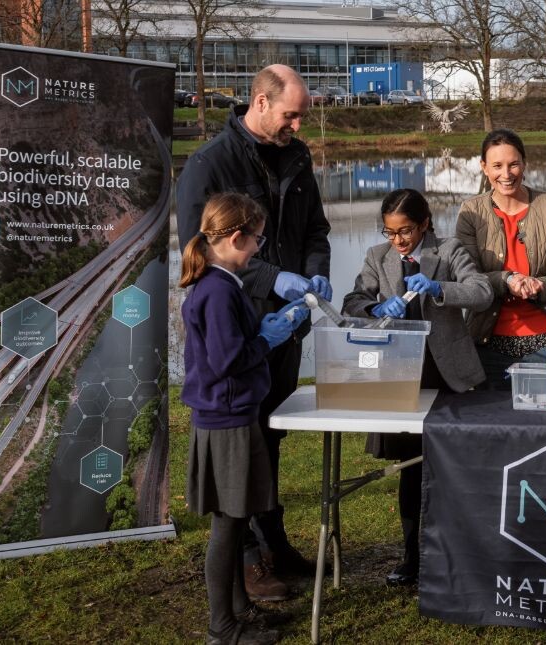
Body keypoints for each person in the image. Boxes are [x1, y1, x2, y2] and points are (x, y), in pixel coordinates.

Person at [176, 64, 330, 597]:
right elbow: (198, 249)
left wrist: (314, 277)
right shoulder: (208, 165)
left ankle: (273, 541)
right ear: (260, 103)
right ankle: (245, 560)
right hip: (239, 328)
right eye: (291, 114)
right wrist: (272, 279)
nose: (297, 124)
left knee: (270, 438)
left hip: (286, 326)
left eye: (301, 116)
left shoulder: (297, 157)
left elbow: (316, 229)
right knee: (241, 442)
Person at [340, 188, 492, 586]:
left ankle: (460, 553)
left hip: (446, 375)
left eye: (405, 231)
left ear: (424, 223)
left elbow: (481, 292)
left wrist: (439, 289)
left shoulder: (450, 249)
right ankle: (413, 555)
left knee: (450, 465)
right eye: (390, 232)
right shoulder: (377, 256)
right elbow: (352, 300)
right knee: (411, 468)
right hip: (400, 375)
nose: (398, 240)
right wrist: (374, 308)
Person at [180, 193, 309, 645]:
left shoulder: (221, 283)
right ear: (236, 238)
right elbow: (227, 360)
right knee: (228, 526)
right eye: (257, 240)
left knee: (235, 521)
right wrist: (267, 340)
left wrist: (269, 325)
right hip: (226, 419)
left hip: (230, 414)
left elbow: (231, 343)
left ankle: (238, 610)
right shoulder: (217, 291)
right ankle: (223, 629)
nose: (258, 249)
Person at [455, 129, 546, 388]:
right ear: (484, 167)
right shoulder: (470, 212)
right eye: (497, 166)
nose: (506, 174)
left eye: (513, 164)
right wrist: (507, 280)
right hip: (487, 345)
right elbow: (468, 279)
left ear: (524, 163)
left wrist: (540, 285)